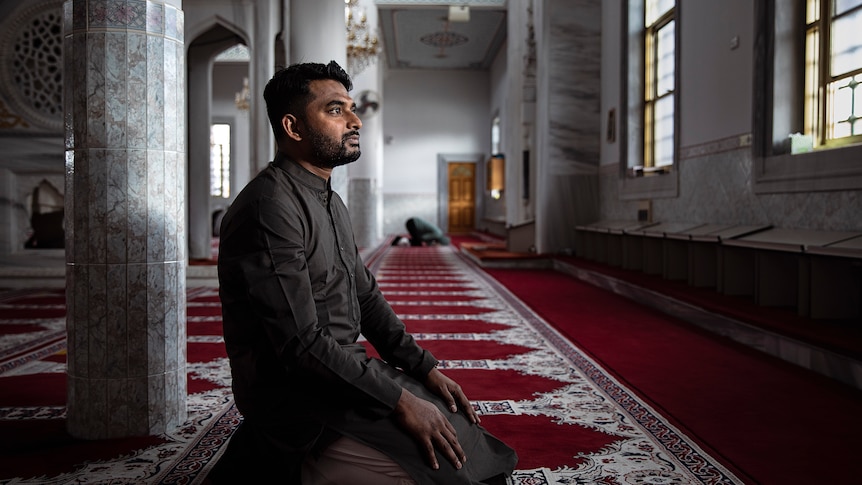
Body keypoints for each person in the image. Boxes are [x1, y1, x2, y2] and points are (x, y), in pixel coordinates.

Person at [212, 60, 517, 484]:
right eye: (336, 110)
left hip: (339, 375)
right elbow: (300, 346)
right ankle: (299, 468)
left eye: (352, 109)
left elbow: (366, 298)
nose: (355, 121)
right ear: (293, 127)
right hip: (298, 400)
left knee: (460, 432)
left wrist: (424, 369)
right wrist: (399, 401)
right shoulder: (270, 206)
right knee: (444, 464)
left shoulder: (329, 201)